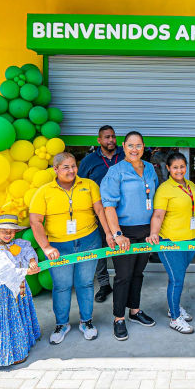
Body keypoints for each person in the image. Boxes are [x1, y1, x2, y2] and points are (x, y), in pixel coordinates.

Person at [29, 151, 114, 345]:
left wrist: (109, 234)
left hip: (89, 241)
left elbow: (100, 210)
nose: (71, 170)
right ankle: (62, 324)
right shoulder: (44, 192)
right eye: (66, 167)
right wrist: (46, 247)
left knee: (85, 283)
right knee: (62, 286)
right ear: (55, 169)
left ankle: (86, 322)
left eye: (74, 166)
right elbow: (35, 221)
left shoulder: (89, 185)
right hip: (59, 246)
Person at [100, 131, 159, 341]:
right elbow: (108, 206)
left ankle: (134, 311)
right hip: (124, 231)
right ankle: (118, 318)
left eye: (139, 145)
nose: (135, 149)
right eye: (131, 145)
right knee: (123, 276)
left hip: (145, 230)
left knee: (138, 273)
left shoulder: (150, 168)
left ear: (144, 147)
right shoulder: (116, 171)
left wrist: (154, 230)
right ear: (123, 147)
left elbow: (155, 199)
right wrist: (117, 234)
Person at [149, 152, 195, 334]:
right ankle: (174, 318)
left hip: (190, 239)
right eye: (175, 167)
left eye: (182, 166)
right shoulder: (164, 189)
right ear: (168, 168)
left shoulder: (191, 185)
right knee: (177, 279)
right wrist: (154, 234)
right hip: (171, 241)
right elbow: (158, 215)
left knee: (176, 276)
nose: (179, 170)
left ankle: (173, 306)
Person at [0, 213, 41, 367]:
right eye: (4, 231)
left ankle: (24, 342)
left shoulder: (18, 244)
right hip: (6, 291)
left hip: (20, 285)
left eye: (12, 231)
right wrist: (27, 271)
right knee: (8, 316)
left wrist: (32, 261)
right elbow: (7, 272)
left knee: (21, 311)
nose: (8, 234)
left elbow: (27, 250)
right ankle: (11, 353)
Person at [77, 125, 123, 302]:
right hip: (98, 213)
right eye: (107, 137)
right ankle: (104, 284)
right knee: (101, 248)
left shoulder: (125, 156)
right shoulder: (89, 161)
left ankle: (121, 281)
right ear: (99, 140)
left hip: (122, 212)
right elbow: (80, 185)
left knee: (122, 247)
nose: (111, 140)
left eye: (113, 136)